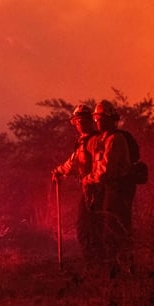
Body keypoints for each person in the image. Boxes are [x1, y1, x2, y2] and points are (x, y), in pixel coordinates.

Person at [81, 100, 138, 261]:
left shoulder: (115, 140)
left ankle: (124, 266)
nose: (97, 121)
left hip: (119, 190)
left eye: (101, 118)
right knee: (107, 229)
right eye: (96, 118)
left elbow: (106, 171)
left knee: (116, 229)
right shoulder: (102, 140)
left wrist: (88, 179)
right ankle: (113, 266)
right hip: (109, 190)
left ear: (109, 119)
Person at [51, 104, 102, 260]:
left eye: (83, 120)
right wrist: (58, 171)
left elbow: (101, 167)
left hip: (97, 189)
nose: (79, 124)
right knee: (87, 228)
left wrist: (91, 180)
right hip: (88, 188)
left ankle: (96, 264)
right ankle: (94, 263)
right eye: (77, 121)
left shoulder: (96, 141)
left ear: (90, 120)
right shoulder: (82, 142)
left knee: (88, 228)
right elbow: (73, 164)